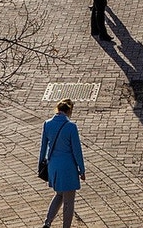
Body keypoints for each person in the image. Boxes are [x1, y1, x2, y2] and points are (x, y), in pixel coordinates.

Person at [39, 98, 85, 228]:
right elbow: (77, 151)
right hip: (68, 168)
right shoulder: (71, 127)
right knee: (69, 202)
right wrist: (82, 169)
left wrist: (41, 166)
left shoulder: (47, 124)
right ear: (69, 111)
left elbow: (43, 148)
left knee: (59, 194)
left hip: (54, 167)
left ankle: (47, 223)